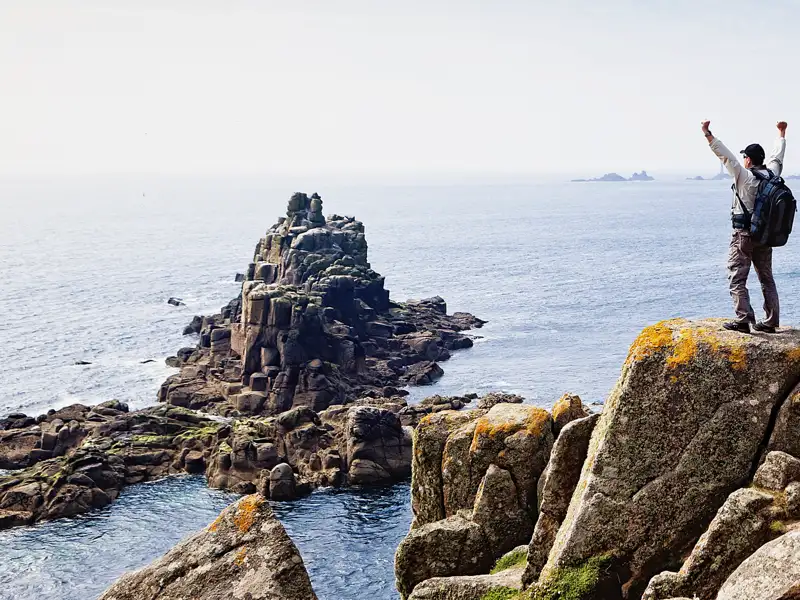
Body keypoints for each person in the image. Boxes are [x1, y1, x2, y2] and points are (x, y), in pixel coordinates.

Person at [701, 120, 787, 333]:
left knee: (736, 276)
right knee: (766, 277)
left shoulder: (743, 175)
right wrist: (781, 133)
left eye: (745, 157)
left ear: (748, 160)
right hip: (765, 236)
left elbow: (724, 154)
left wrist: (707, 133)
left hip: (744, 235)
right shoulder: (772, 174)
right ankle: (770, 321)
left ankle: (743, 319)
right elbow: (778, 156)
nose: (743, 160)